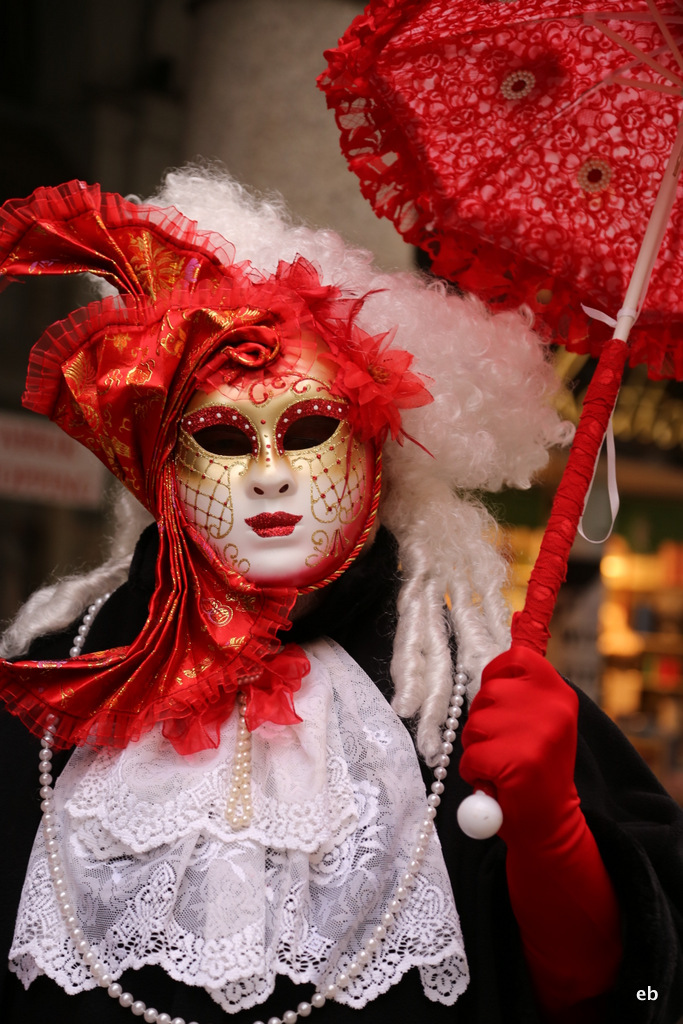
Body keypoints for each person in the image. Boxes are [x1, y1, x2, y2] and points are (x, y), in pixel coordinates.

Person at [0, 168, 681, 1024]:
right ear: (160, 469)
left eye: (310, 427)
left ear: (374, 453)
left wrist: (553, 837)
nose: (271, 475)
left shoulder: (462, 695)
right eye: (219, 438)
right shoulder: (59, 688)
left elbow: (632, 997)